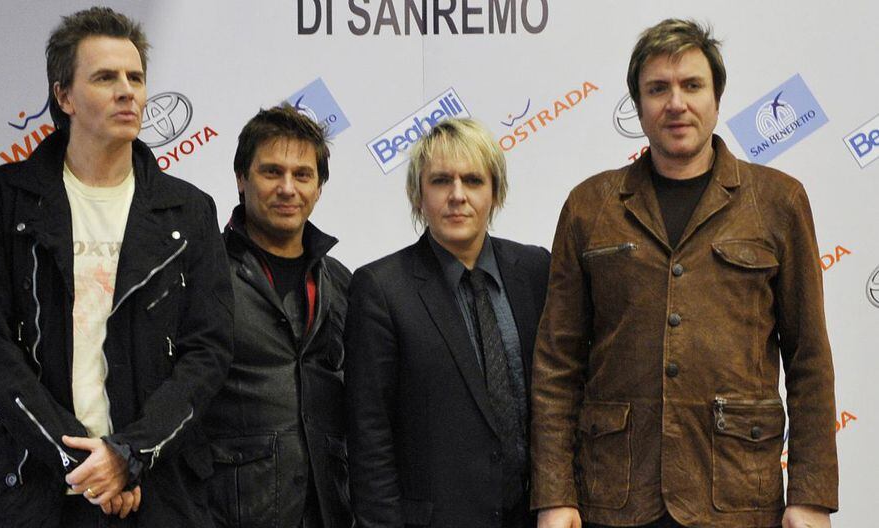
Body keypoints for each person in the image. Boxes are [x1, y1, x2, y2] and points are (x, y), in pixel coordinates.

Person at [531, 18, 839, 528]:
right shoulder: (590, 206)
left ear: (717, 99)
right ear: (638, 106)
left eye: (692, 85)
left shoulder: (778, 201)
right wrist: (554, 494)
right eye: (658, 89)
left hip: (739, 496)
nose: (676, 103)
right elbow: (556, 365)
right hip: (616, 497)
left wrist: (811, 496)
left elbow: (809, 359)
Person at [0, 7, 232, 526]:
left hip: (154, 489)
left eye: (136, 78)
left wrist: (129, 456)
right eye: (105, 78)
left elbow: (208, 352)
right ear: (64, 97)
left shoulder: (189, 210)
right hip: (30, 487)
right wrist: (85, 465)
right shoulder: (1, 198)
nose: (127, 91)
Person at [346, 118, 550, 527]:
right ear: (418, 195)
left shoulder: (535, 269)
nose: (458, 195)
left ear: (495, 193)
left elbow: (559, 397)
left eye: (473, 180)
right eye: (441, 181)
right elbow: (369, 436)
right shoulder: (381, 288)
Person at [202, 104, 352, 528]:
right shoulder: (203, 275)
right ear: (241, 179)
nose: (288, 188)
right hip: (230, 512)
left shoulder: (342, 282)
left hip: (330, 510)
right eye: (272, 172)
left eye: (302, 175)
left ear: (318, 188)